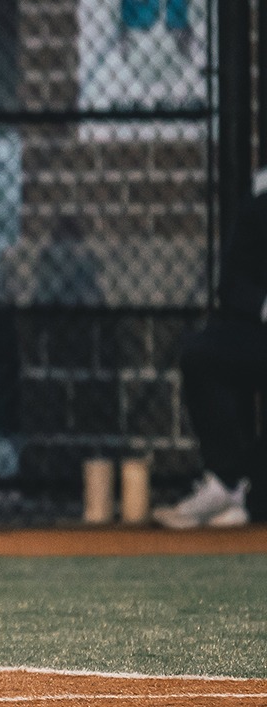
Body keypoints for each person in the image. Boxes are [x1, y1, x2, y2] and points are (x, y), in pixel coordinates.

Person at [153, 168, 267, 529]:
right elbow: (234, 284)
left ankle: (254, 493)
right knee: (201, 352)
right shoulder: (259, 202)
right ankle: (227, 480)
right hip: (259, 329)